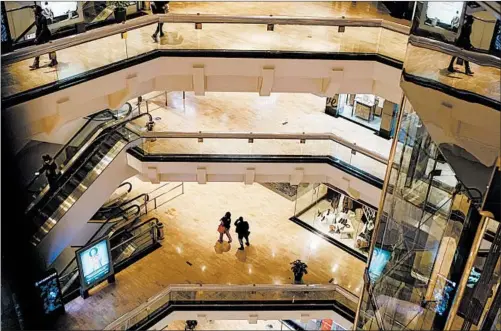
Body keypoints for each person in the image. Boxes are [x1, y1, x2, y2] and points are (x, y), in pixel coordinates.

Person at [30, 5, 58, 70]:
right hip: (40, 34)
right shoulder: (36, 17)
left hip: (45, 34)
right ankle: (36, 64)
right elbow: (38, 28)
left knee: (50, 48)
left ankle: (54, 61)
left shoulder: (43, 18)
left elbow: (43, 29)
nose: (33, 10)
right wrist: (36, 36)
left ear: (37, 11)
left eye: (34, 9)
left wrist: (37, 38)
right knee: (38, 49)